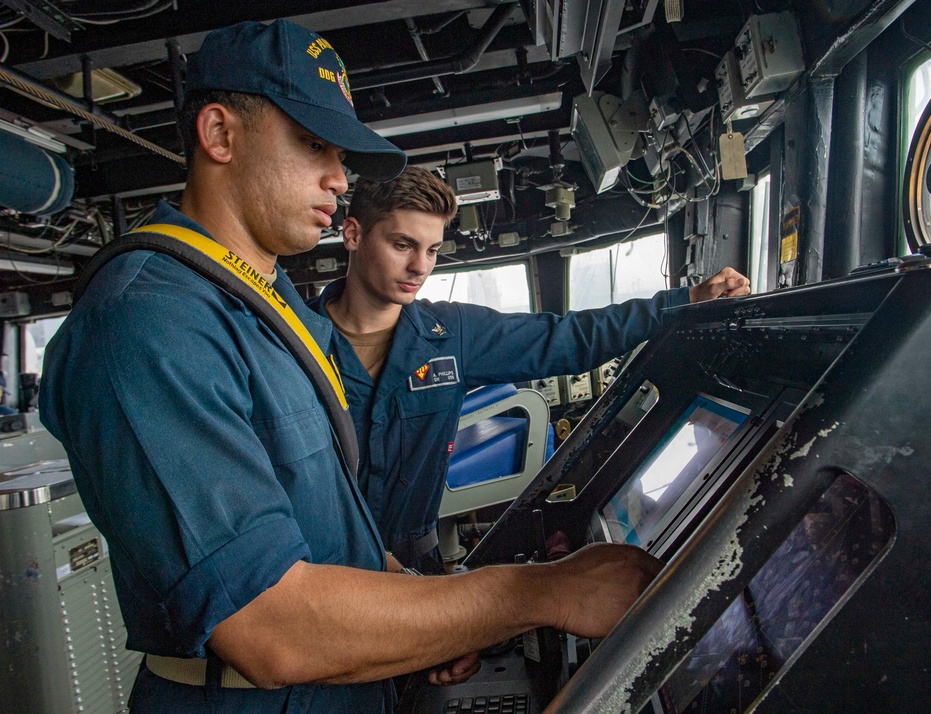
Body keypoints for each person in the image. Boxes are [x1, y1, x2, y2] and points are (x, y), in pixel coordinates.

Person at [38, 19, 663, 714]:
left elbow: (331, 527)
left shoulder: (273, 312)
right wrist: (543, 591)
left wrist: (441, 612)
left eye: (339, 152)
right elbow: (272, 626)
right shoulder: (148, 323)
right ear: (219, 135)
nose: (339, 177)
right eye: (311, 144)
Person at [314, 166, 751, 570]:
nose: (420, 267)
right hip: (319, 577)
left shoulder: (452, 334)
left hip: (414, 570)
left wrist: (683, 303)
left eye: (432, 250)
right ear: (353, 234)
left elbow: (570, 338)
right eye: (403, 245)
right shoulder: (292, 343)